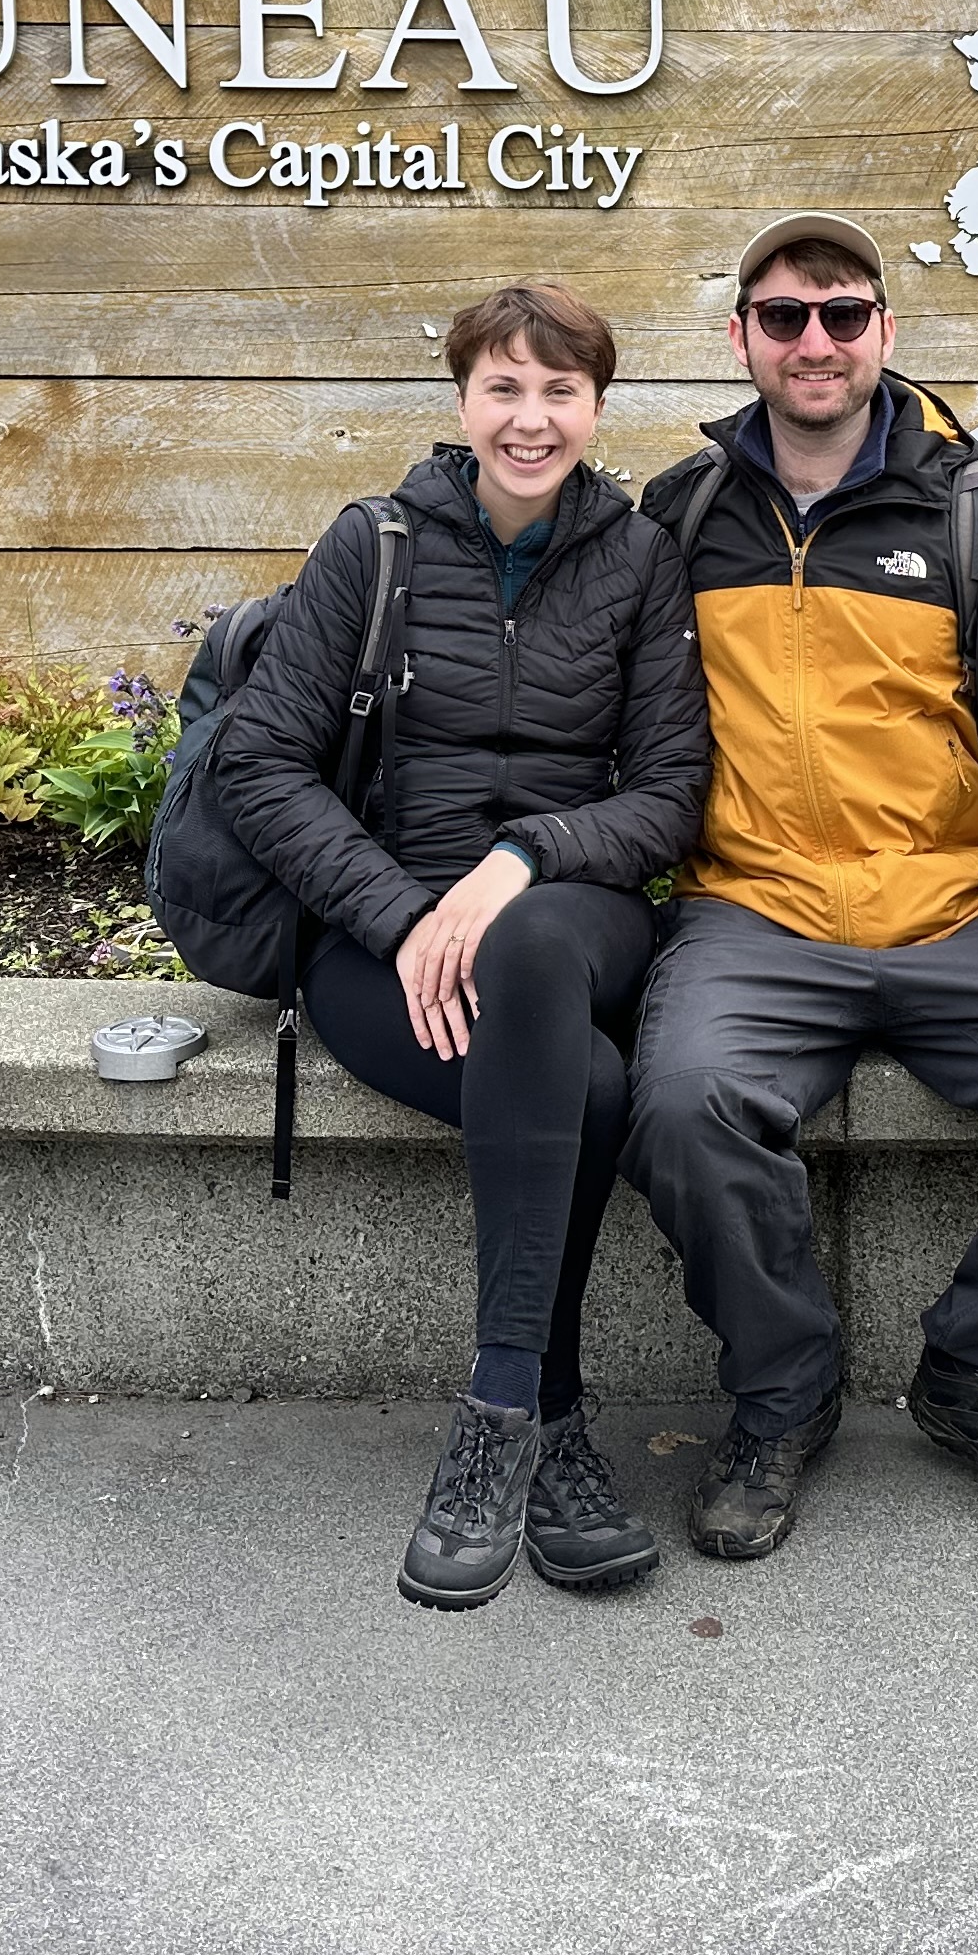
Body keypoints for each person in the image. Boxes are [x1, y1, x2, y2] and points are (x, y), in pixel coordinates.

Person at [629, 212, 978, 1557]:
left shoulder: (974, 510)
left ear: (885, 330)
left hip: (953, 912)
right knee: (685, 1104)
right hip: (752, 911)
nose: (815, 340)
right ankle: (783, 1390)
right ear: (741, 337)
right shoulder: (681, 515)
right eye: (784, 316)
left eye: (843, 312)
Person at [215, 280, 711, 1611]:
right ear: (461, 402)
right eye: (506, 388)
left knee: (537, 949)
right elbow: (262, 769)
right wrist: (401, 913)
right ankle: (554, 1425)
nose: (531, 418)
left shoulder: (639, 558)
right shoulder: (370, 544)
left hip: (571, 907)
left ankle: (492, 1415)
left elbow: (671, 792)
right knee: (591, 1090)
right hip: (385, 937)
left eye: (560, 391)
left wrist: (523, 856)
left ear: (598, 408)